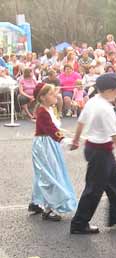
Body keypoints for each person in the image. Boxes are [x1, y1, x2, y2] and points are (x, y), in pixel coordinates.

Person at [70, 73, 116, 234]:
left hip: (98, 149)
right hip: (100, 151)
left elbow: (81, 122)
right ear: (110, 90)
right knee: (94, 189)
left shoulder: (93, 101)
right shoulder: (105, 108)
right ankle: (79, 223)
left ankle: (115, 215)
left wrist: (76, 140)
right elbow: (115, 135)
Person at [29, 83, 77, 221]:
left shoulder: (50, 109)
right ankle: (50, 208)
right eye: (51, 93)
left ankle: (36, 202)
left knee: (45, 172)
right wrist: (65, 141)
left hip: (49, 143)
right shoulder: (43, 112)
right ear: (42, 97)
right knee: (49, 174)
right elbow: (50, 128)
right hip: (44, 145)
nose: (55, 94)